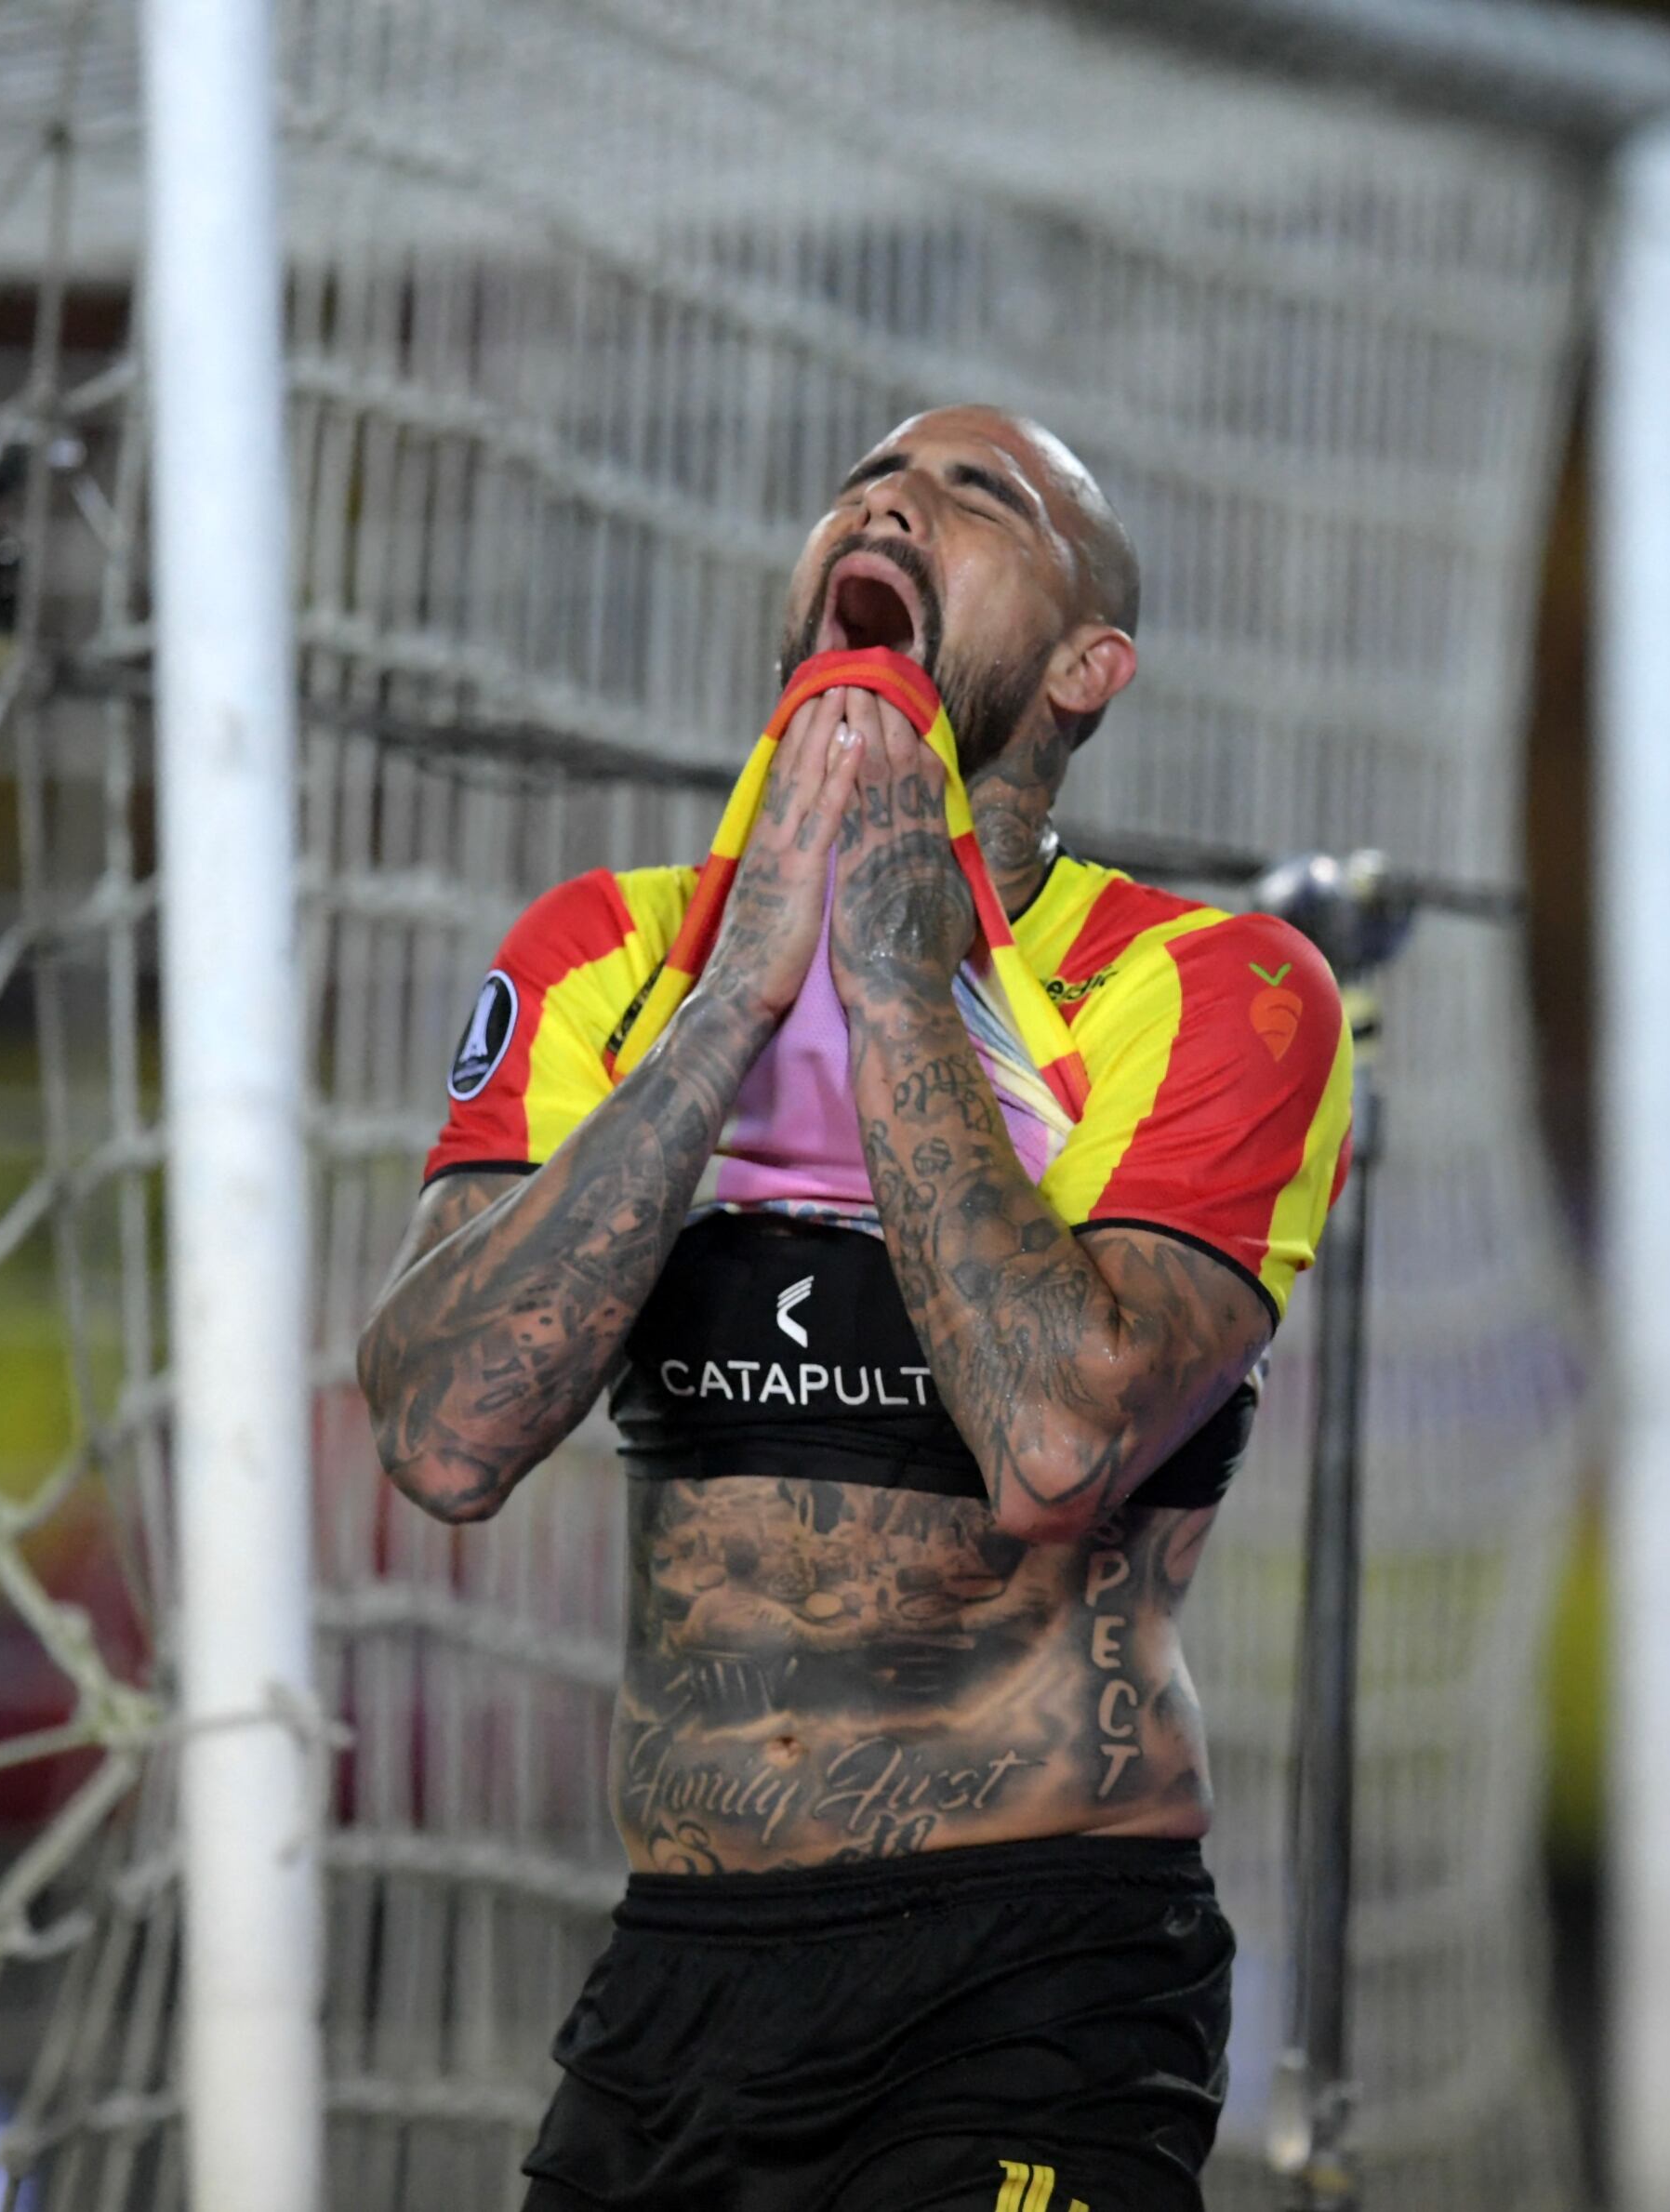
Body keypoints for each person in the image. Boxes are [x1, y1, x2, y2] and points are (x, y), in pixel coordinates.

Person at [358, 405, 1353, 2212]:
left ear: (1081, 667)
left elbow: (1056, 1440)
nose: (886, 496)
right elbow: (440, 1429)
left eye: (979, 494)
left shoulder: (1213, 991)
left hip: (1028, 1972)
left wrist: (893, 968)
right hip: (675, 1980)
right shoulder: (606, 954)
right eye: (862, 481)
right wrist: (741, 984)